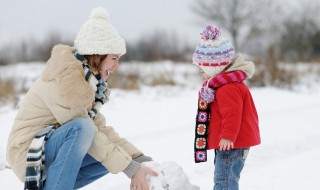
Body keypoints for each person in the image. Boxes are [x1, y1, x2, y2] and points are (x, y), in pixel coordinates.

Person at [6, 7, 157, 190]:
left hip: (50, 145)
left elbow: (101, 130)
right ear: (98, 56)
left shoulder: (86, 82)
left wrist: (140, 160)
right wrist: (131, 169)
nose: (116, 66)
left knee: (111, 155)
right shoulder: (65, 80)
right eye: (114, 58)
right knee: (84, 129)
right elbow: (88, 132)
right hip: (27, 153)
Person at [192, 25, 261, 190]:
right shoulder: (225, 85)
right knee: (225, 177)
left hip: (232, 143)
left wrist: (228, 136)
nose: (201, 74)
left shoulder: (227, 88)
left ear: (213, 67)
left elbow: (233, 114)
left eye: (202, 70)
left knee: (225, 180)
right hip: (230, 143)